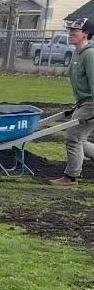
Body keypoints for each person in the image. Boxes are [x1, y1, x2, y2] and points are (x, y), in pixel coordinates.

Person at [50, 16, 94, 186]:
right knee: (80, 139)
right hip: (84, 102)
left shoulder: (89, 55)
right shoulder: (78, 53)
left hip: (91, 104)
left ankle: (71, 177)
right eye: (70, 31)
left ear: (86, 34)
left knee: (73, 138)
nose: (70, 34)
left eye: (75, 31)